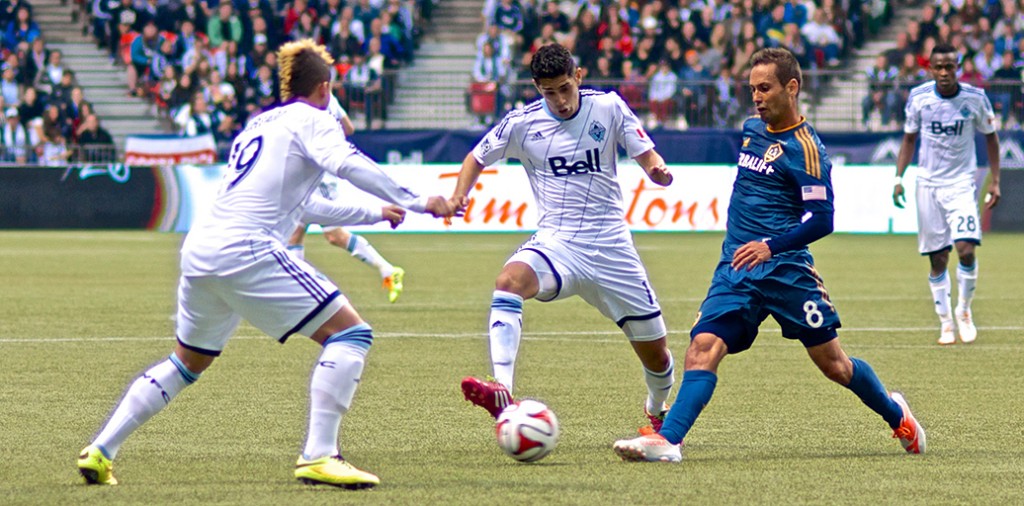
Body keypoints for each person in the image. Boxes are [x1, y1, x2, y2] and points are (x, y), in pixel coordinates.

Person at [77, 39, 452, 489]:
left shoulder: (261, 123)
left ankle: (101, 449)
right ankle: (320, 455)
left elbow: (304, 206)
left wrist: (376, 212)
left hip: (201, 250)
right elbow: (346, 161)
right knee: (352, 334)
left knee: (185, 363)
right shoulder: (314, 118)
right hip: (245, 249)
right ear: (326, 88)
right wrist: (419, 200)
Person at [612, 48, 926, 463]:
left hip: (786, 271)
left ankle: (897, 416)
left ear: (791, 88)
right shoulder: (750, 129)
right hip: (737, 267)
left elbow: (823, 219)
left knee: (834, 365)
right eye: (752, 89)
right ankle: (668, 440)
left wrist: (771, 246)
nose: (756, 98)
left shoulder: (807, 149)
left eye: (765, 88)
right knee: (702, 346)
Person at [450, 44, 678, 433]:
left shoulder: (608, 107)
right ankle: (503, 388)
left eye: (564, 88)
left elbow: (646, 151)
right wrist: (460, 194)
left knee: (657, 356)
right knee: (508, 282)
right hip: (558, 242)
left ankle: (656, 411)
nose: (559, 100)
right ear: (537, 87)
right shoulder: (521, 123)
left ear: (579, 76)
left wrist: (656, 170)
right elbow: (476, 157)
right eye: (548, 92)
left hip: (611, 248)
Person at [894, 43, 1001, 346]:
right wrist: (898, 178)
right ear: (930, 69)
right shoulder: (919, 98)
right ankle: (945, 323)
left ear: (958, 67)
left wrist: (995, 181)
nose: (944, 72)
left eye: (949, 66)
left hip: (962, 184)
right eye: (938, 67)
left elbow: (991, 139)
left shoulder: (975, 99)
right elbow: (908, 139)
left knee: (966, 249)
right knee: (938, 259)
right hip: (928, 184)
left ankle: (964, 311)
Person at [287, 93, 408, 303]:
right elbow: (349, 128)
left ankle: (387, 269)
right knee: (295, 232)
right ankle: (297, 291)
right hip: (315, 171)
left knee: (334, 234)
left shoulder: (312, 101)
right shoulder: (328, 98)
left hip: (321, 174)